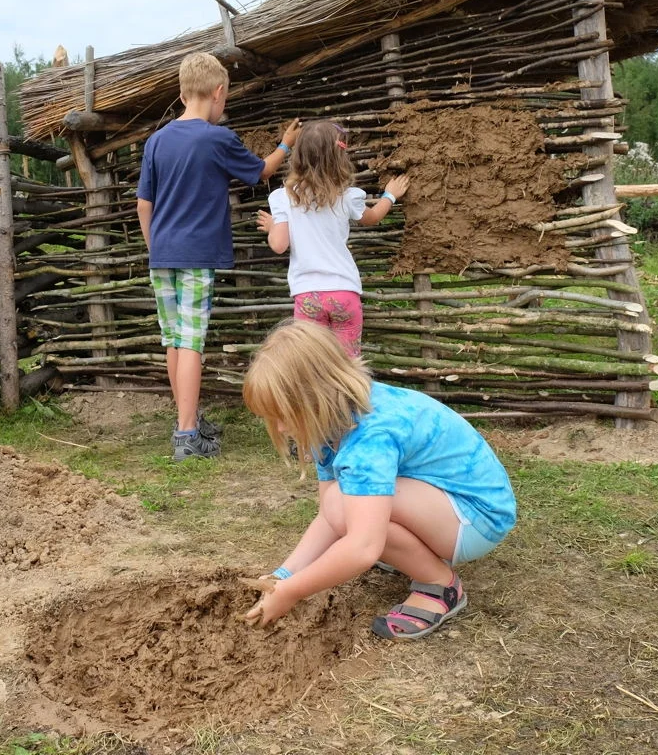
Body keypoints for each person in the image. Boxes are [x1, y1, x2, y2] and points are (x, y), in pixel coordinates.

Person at [241, 320, 516, 640]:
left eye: (284, 415)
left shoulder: (370, 437)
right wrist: (283, 575)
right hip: (444, 507)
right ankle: (414, 555)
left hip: (478, 517)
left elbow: (362, 548)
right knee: (340, 506)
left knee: (352, 515)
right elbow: (328, 517)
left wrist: (292, 592)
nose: (282, 428)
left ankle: (441, 586)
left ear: (315, 398)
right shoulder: (331, 422)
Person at [136, 52, 301, 461]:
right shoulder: (216, 138)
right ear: (218, 93)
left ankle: (185, 418)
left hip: (162, 255)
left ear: (180, 93)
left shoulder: (157, 141)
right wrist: (286, 143)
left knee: (174, 341)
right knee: (191, 343)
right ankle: (188, 435)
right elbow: (261, 172)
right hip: (196, 255)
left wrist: (155, 248)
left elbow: (144, 204)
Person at [256, 120, 409, 358]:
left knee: (313, 363)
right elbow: (373, 217)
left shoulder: (283, 197)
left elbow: (279, 244)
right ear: (339, 157)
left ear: (298, 156)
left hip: (308, 296)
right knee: (347, 365)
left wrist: (273, 226)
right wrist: (390, 195)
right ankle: (347, 396)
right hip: (344, 292)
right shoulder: (347, 196)